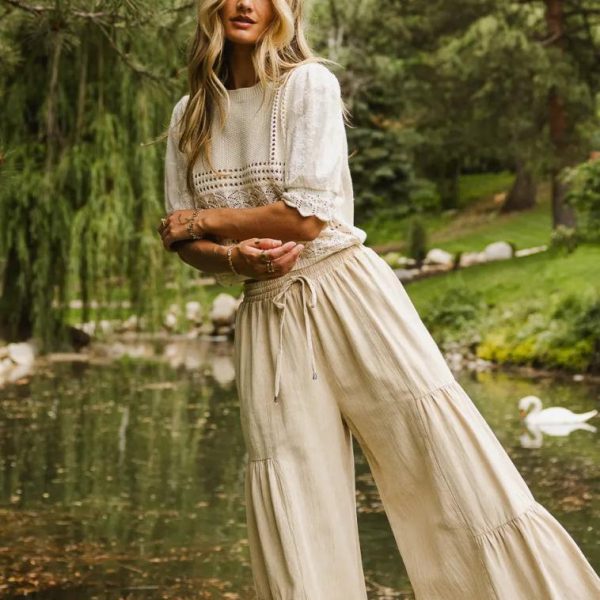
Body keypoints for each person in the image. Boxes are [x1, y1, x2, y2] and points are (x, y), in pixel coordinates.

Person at [157, 1, 600, 598]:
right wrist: (237, 259)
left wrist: (205, 220)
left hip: (350, 295)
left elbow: (304, 218)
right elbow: (184, 242)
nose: (244, 3)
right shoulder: (189, 116)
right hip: (266, 316)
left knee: (440, 456)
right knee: (294, 494)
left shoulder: (309, 86)